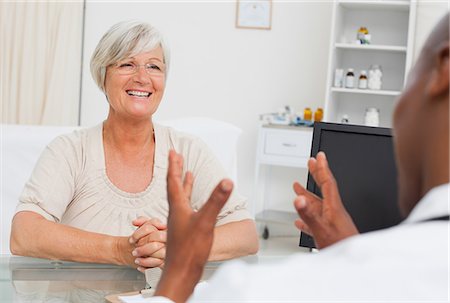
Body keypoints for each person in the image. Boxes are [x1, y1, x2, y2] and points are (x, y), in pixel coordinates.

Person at [151, 13, 450, 302]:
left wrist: (180, 269)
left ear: (444, 70)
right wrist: (350, 254)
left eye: (409, 77)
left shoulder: (253, 292)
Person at [10, 21, 258, 271]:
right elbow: (23, 234)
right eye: (127, 64)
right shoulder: (70, 151)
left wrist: (180, 246)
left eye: (154, 66)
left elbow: (246, 234)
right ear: (102, 75)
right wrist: (120, 249)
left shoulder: (188, 150)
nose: (142, 78)